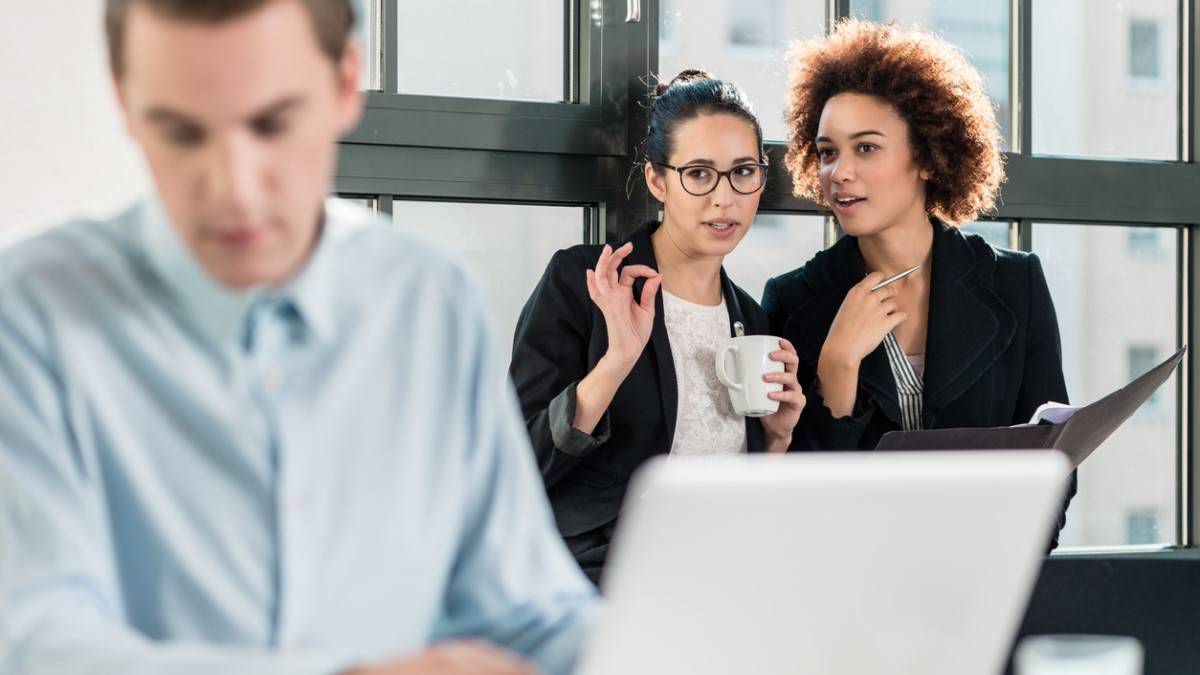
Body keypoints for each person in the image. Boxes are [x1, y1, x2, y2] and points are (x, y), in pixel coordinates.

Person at [0, 2, 595, 674]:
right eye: (181, 132)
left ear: (346, 84)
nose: (235, 189)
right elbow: (38, 641)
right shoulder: (32, 310)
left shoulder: (427, 302)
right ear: (124, 103)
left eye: (273, 124)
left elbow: (525, 611)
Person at [762, 19, 1075, 547]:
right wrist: (837, 368)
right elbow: (793, 496)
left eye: (865, 148)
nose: (838, 172)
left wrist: (999, 559)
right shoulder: (793, 299)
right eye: (827, 151)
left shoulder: (1015, 282)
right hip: (848, 589)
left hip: (984, 579)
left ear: (927, 157)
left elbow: (1056, 465)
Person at [510, 70, 807, 584]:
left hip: (721, 575)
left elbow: (740, 496)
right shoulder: (587, 283)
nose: (725, 198)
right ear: (657, 180)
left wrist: (776, 441)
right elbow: (517, 467)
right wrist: (617, 360)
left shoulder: (751, 319)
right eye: (698, 173)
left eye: (743, 172)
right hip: (603, 578)